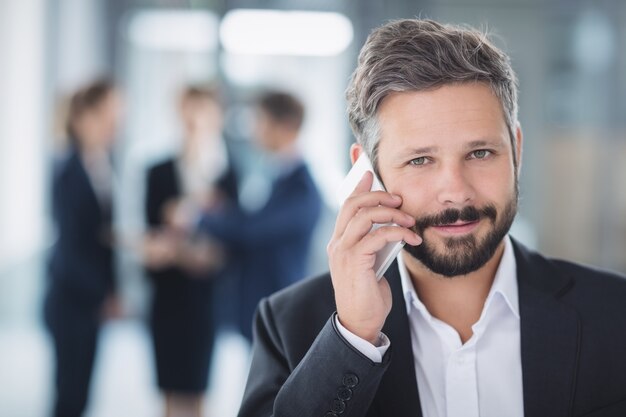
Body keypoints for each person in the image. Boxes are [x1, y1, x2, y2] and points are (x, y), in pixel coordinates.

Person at [237, 19, 626, 417]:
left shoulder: (616, 314)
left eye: (480, 153)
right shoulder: (289, 325)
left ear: (517, 149)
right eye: (420, 160)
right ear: (367, 173)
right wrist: (354, 337)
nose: (456, 191)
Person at [143, 85, 237, 417]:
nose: (194, 120)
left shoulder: (228, 173)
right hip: (167, 295)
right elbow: (150, 237)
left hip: (205, 298)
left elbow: (235, 239)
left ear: (217, 116)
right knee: (169, 387)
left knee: (198, 387)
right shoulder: (157, 171)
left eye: (202, 111)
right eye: (188, 111)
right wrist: (180, 253)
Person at [198, 91, 322, 343]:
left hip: (280, 310)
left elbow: (253, 230)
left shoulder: (303, 189)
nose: (254, 129)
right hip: (258, 305)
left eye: (260, 121)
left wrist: (199, 218)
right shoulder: (271, 173)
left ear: (284, 126)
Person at [44, 79, 122, 417]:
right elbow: (72, 249)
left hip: (89, 298)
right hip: (71, 298)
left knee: (83, 396)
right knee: (69, 397)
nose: (114, 123)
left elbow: (101, 239)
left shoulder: (101, 164)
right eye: (106, 114)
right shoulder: (67, 170)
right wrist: (102, 295)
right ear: (81, 118)